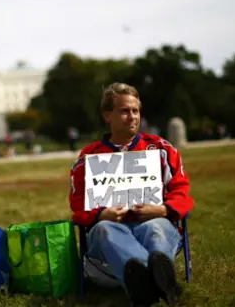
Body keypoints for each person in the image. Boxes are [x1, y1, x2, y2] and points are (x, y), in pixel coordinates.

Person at [69, 82, 194, 307]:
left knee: (155, 227)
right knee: (106, 230)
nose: (132, 116)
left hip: (154, 222)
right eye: (124, 111)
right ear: (108, 116)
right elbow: (78, 205)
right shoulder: (89, 156)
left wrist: (163, 209)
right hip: (109, 231)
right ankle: (160, 282)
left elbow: (182, 193)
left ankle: (145, 284)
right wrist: (100, 214)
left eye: (135, 111)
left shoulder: (161, 150)